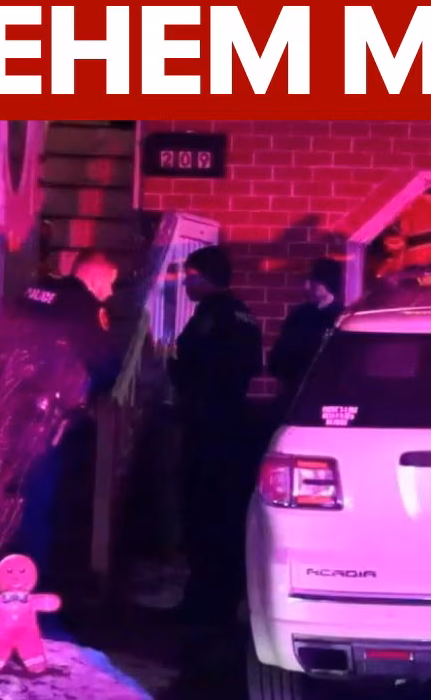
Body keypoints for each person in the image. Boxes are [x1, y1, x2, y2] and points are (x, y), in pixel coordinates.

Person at [13, 250, 123, 587]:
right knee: (43, 496)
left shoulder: (33, 292)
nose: (111, 293)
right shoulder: (86, 308)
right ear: (95, 277)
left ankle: (9, 566)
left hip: (12, 407)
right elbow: (106, 366)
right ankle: (36, 577)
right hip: (53, 416)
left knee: (16, 492)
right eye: (110, 283)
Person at [168, 245, 264, 631]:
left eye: (191, 276)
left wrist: (173, 370)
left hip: (210, 428)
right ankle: (217, 600)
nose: (186, 284)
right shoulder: (243, 314)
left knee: (204, 515)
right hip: (234, 428)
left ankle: (206, 608)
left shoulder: (213, 316)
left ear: (208, 278)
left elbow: (199, 369)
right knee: (225, 517)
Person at [267, 257, 344, 421]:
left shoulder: (340, 319)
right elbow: (279, 356)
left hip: (325, 397)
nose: (307, 287)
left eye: (314, 282)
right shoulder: (299, 315)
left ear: (327, 284)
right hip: (295, 392)